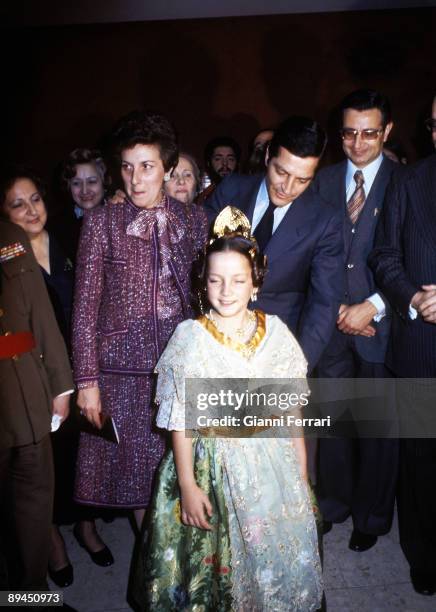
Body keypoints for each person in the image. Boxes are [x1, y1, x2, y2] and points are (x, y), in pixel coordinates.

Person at [131, 207, 323, 611]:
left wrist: (301, 470)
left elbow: (290, 409)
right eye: (216, 280)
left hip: (273, 463)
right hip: (212, 463)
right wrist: (187, 484)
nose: (226, 290)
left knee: (270, 553)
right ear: (203, 284)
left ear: (255, 283)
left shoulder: (278, 334)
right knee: (221, 563)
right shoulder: (190, 338)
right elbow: (180, 419)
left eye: (238, 280)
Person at [72, 110, 208, 529]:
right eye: (127, 168)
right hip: (121, 376)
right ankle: (156, 579)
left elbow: (207, 301)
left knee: (186, 477)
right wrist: (87, 383)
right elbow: (84, 308)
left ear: (168, 168)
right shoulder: (101, 223)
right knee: (138, 487)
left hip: (181, 371)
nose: (135, 179)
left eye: (147, 167)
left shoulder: (196, 221)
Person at [0, 168, 113, 587]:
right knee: (28, 498)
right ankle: (51, 549)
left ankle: (83, 530)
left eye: (35, 200)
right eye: (18, 203)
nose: (31, 210)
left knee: (73, 466)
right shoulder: (9, 251)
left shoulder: (66, 234)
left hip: (71, 374)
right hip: (27, 390)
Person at [313, 89, 399, 553]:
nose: (359, 143)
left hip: (382, 328)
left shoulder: (407, 182)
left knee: (378, 429)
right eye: (350, 133)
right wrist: (335, 312)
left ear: (387, 131)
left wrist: (374, 305)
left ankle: (372, 516)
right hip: (330, 328)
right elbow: (307, 255)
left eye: (370, 132)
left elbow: (418, 258)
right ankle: (332, 505)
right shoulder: (322, 182)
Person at [205, 116, 343, 372]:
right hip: (212, 343)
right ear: (268, 155)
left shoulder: (325, 220)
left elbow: (323, 305)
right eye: (282, 172)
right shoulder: (231, 189)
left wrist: (295, 369)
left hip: (275, 352)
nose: (287, 188)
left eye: (302, 180)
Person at [369, 98, 436, 595]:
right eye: (435, 122)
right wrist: (413, 296)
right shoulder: (408, 182)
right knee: (420, 465)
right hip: (418, 351)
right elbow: (385, 254)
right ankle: (424, 556)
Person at [0, 220, 73, 590]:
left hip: (26, 397)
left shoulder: (9, 236)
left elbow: (40, 314)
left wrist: (60, 382)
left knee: (33, 514)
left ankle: (32, 598)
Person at [58, 148, 110, 258]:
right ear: (69, 186)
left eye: (91, 181)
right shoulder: (58, 229)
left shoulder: (121, 215)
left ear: (103, 182)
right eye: (76, 183)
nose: (85, 190)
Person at [197, 136, 241, 205]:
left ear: (237, 163)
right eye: (218, 159)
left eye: (230, 159)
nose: (225, 164)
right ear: (209, 163)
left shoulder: (248, 194)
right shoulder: (202, 198)